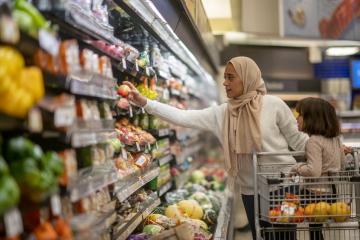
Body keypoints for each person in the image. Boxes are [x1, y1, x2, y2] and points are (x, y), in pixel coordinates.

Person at [124, 56, 308, 240]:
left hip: (284, 186)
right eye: (225, 77)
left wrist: (327, 150)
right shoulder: (222, 113)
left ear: (246, 78)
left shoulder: (274, 105)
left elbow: (298, 140)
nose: (225, 82)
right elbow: (183, 117)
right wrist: (145, 103)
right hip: (251, 191)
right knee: (260, 237)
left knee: (285, 237)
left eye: (230, 78)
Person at [290, 97, 345, 240]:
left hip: (314, 195)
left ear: (312, 118)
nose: (297, 119)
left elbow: (314, 171)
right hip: (331, 194)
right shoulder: (336, 139)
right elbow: (342, 164)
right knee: (317, 230)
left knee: (312, 229)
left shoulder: (313, 141)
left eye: (300, 115)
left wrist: (297, 167)